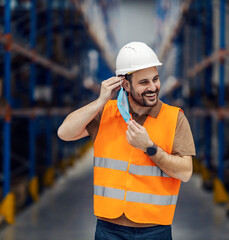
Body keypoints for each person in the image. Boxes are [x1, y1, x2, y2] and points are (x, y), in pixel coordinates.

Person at [58, 42, 195, 240]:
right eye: (143, 82)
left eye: (155, 79)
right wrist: (100, 101)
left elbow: (185, 172)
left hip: (155, 230)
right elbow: (65, 132)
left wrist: (150, 148)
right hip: (109, 229)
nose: (153, 87)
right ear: (125, 84)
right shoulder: (106, 113)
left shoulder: (175, 118)